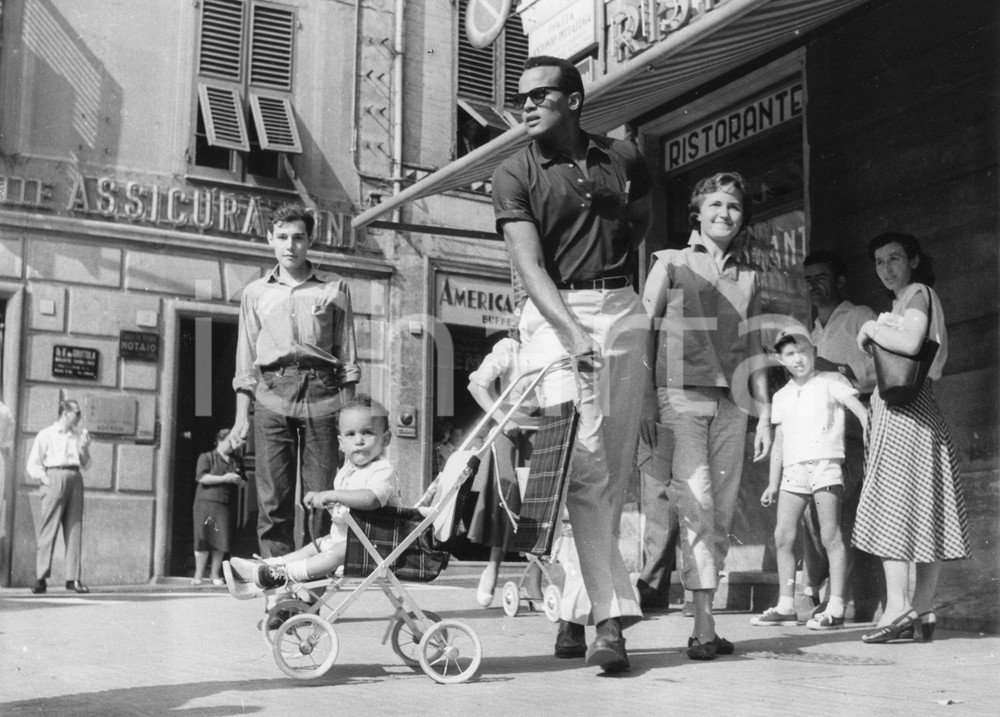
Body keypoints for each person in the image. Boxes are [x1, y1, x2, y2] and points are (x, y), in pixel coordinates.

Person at [491, 55, 652, 672]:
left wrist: (615, 292)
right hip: (556, 316)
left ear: (575, 100)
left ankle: (570, 611)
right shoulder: (513, 172)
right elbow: (530, 267)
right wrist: (571, 331)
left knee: (610, 472)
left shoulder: (624, 156)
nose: (526, 106)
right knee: (581, 464)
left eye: (539, 95)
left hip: (623, 310)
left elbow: (640, 220)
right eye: (521, 98)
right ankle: (610, 621)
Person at [642, 171, 772, 660]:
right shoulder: (670, 261)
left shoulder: (750, 277)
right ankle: (702, 624)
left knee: (719, 512)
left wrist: (765, 416)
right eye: (715, 204)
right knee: (695, 503)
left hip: (734, 404)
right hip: (680, 397)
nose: (725, 213)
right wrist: (646, 397)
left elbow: (756, 349)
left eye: (734, 206)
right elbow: (642, 328)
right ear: (697, 213)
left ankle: (704, 619)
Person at [853, 233, 970, 644]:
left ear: (914, 260)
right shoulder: (904, 302)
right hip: (917, 412)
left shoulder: (917, 293)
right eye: (879, 261)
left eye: (895, 258)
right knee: (924, 508)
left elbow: (909, 342)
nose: (886, 268)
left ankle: (899, 607)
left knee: (893, 505)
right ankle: (922, 607)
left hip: (906, 415)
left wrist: (870, 327)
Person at [230, 203, 359, 562]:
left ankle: (312, 585)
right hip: (272, 391)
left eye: (298, 237)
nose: (291, 245)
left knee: (322, 496)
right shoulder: (255, 293)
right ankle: (278, 584)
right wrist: (241, 418)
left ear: (309, 241)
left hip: (322, 390)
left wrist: (349, 416)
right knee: (273, 498)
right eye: (283, 237)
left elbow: (348, 360)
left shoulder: (335, 287)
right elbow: (245, 362)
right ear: (270, 239)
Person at [752, 327, 868, 630]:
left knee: (830, 535)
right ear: (781, 359)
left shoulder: (831, 381)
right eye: (790, 354)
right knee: (783, 536)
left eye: (803, 351)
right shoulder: (781, 396)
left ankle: (836, 606)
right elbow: (779, 442)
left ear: (814, 352)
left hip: (825, 466)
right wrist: (772, 483)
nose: (798, 359)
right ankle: (786, 605)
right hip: (794, 471)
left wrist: (870, 429)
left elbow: (858, 408)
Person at [224, 395, 400, 592]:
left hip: (373, 547)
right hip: (346, 540)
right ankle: (269, 564)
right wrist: (328, 502)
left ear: (385, 439)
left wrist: (332, 495)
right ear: (341, 443)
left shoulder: (382, 470)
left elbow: (371, 498)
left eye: (367, 433)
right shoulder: (347, 471)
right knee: (313, 547)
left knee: (337, 550)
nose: (359, 441)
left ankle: (283, 574)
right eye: (350, 434)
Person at [800, 250, 880, 620]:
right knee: (812, 512)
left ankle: (841, 598)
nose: (813, 285)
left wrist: (830, 368)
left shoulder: (860, 316)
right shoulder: (810, 331)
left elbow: (880, 368)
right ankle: (815, 589)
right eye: (808, 279)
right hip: (814, 429)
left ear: (840, 281)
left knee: (843, 509)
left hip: (851, 423)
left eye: (821, 277)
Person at [466, 333, 541, 607]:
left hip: (542, 429)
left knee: (540, 505)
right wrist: (501, 418)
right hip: (510, 431)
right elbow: (476, 385)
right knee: (506, 500)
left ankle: (534, 580)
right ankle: (493, 567)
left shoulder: (554, 346)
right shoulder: (510, 348)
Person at [26, 399, 92, 594]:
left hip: (75, 477)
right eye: (77, 413)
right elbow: (33, 463)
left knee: (74, 528)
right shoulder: (46, 434)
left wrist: (84, 448)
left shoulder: (79, 435)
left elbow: (87, 464)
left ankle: (73, 578)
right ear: (65, 413)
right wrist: (46, 479)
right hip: (54, 476)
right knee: (48, 529)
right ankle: (40, 578)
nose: (79, 417)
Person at [192, 428, 247, 586]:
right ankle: (198, 575)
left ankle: (215, 574)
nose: (233, 445)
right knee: (203, 539)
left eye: (235, 442)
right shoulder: (207, 457)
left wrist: (238, 480)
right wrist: (225, 478)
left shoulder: (237, 460)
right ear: (219, 440)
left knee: (221, 540)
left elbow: (244, 482)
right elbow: (201, 477)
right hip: (206, 503)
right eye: (230, 441)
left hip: (225, 505)